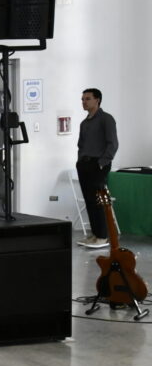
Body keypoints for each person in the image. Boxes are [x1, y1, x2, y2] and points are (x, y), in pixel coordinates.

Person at [76, 88, 118, 249]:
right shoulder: (84, 123)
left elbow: (113, 144)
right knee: (89, 200)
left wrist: (101, 163)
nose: (84, 102)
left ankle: (102, 236)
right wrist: (80, 161)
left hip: (98, 164)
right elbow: (81, 145)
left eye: (87, 99)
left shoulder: (106, 119)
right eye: (82, 99)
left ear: (97, 100)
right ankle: (95, 234)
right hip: (84, 164)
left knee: (98, 201)